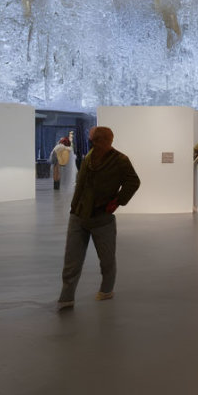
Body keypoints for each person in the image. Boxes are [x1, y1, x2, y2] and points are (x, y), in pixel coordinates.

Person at [57, 126, 140, 310]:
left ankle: (107, 289)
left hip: (102, 217)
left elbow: (133, 181)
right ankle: (66, 297)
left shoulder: (120, 160)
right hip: (78, 214)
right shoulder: (89, 156)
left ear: (106, 140)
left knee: (107, 258)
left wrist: (118, 201)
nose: (91, 142)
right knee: (72, 259)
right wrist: (74, 207)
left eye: (95, 139)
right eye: (91, 139)